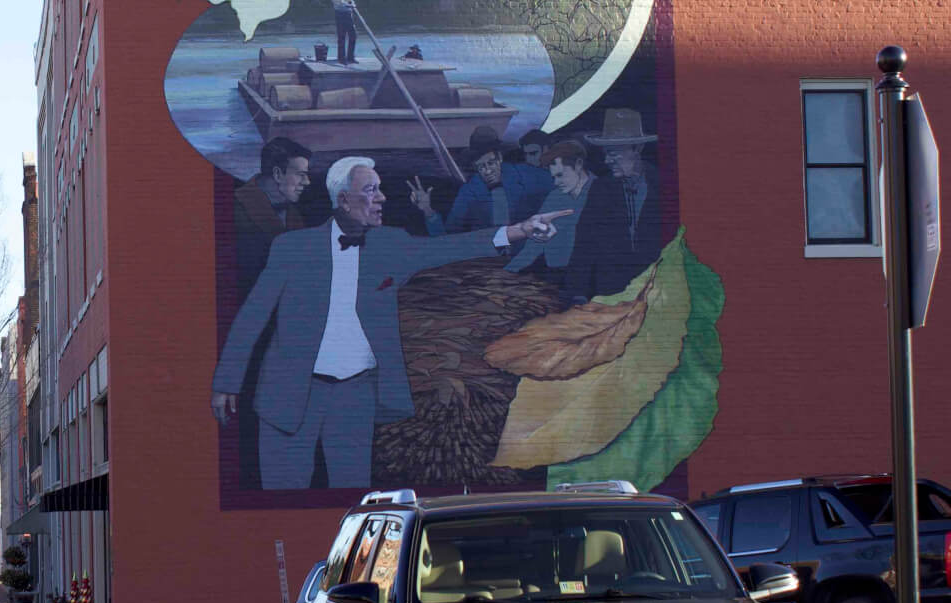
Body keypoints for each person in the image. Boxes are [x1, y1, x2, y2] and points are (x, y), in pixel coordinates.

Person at [213, 156, 569, 490]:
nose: (382, 198)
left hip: (355, 396)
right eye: (371, 190)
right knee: (281, 498)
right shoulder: (292, 248)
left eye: (380, 189)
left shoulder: (390, 245)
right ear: (343, 200)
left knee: (352, 497)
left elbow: (451, 247)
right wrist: (227, 382)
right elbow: (253, 315)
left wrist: (520, 230)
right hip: (288, 394)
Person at [507, 139, 639, 303]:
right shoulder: (554, 197)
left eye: (560, 175)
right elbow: (535, 243)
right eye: (553, 177)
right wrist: (510, 271)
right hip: (557, 279)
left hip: (595, 284)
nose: (556, 182)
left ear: (578, 165)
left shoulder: (607, 193)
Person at [405, 127, 552, 238]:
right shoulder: (469, 191)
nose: (487, 171)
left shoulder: (524, 174)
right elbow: (448, 235)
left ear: (500, 158)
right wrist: (428, 211)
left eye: (491, 163)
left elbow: (555, 187)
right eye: (481, 166)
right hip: (487, 256)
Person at [583, 107, 661, 265]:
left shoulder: (663, 184)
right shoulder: (600, 189)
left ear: (638, 149)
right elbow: (584, 247)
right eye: (605, 153)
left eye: (613, 153)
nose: (606, 160)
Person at [232, 136, 311, 292]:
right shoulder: (236, 214)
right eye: (300, 174)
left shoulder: (293, 214)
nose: (307, 182)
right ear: (277, 174)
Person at [330, 0, 358, 64]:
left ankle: (350, 57)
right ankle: (341, 58)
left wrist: (353, 3)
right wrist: (347, 4)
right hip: (340, 13)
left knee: (353, 35)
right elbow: (336, 0)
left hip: (348, 13)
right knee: (342, 36)